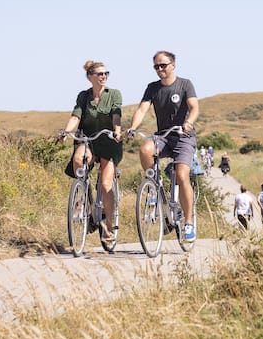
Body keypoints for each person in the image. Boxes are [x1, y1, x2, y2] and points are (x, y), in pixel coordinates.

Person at [126, 51, 200, 241]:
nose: (160, 69)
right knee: (145, 149)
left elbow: (194, 107)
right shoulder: (152, 88)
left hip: (183, 136)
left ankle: (189, 223)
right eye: (156, 67)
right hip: (163, 136)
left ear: (173, 65)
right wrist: (133, 127)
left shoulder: (185, 84)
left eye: (163, 66)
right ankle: (155, 188)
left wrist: (189, 123)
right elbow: (142, 108)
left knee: (182, 176)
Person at [58, 60, 123, 241]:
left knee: (105, 184)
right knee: (78, 160)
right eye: (100, 74)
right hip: (89, 139)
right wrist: (66, 131)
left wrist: (117, 132)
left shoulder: (114, 94)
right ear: (90, 77)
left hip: (109, 141)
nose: (104, 77)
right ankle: (84, 201)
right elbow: (76, 116)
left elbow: (116, 115)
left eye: (106, 73)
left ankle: (109, 227)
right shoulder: (84, 96)